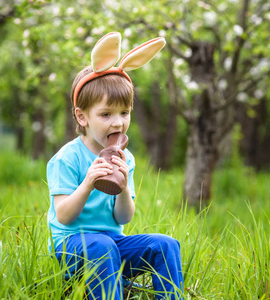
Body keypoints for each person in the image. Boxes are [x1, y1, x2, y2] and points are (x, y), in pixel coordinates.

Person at [46, 32, 184, 300]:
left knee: (165, 245)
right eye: (106, 114)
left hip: (113, 243)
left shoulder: (126, 157)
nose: (118, 123)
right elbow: (62, 216)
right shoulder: (67, 158)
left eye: (124, 113)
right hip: (71, 248)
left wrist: (121, 187)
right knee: (102, 245)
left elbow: (123, 218)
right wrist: (87, 184)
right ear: (82, 116)